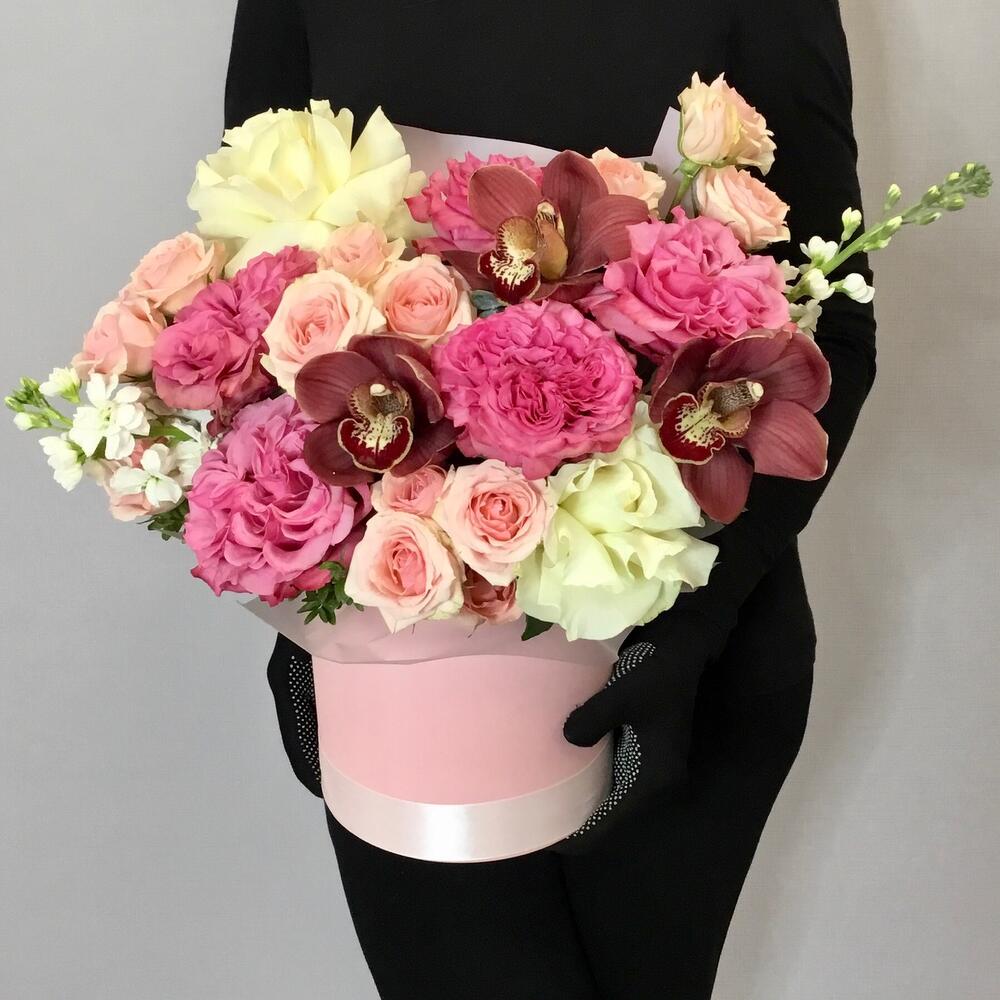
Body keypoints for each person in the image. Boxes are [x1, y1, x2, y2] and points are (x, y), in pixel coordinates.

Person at [225, 2, 877, 997]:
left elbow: (836, 334)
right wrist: (302, 609)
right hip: (403, 653)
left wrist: (693, 631)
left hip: (679, 657)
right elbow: (250, 283)